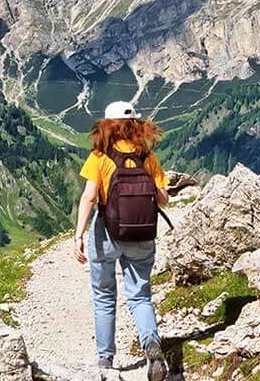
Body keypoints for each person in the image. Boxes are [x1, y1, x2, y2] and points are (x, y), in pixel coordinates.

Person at [74, 100, 169, 381]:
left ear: (107, 125)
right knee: (139, 295)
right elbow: (163, 199)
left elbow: (90, 197)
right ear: (135, 125)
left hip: (106, 232)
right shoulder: (147, 157)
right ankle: (151, 345)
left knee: (104, 296)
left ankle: (105, 362)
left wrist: (79, 234)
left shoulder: (99, 156)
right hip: (141, 233)